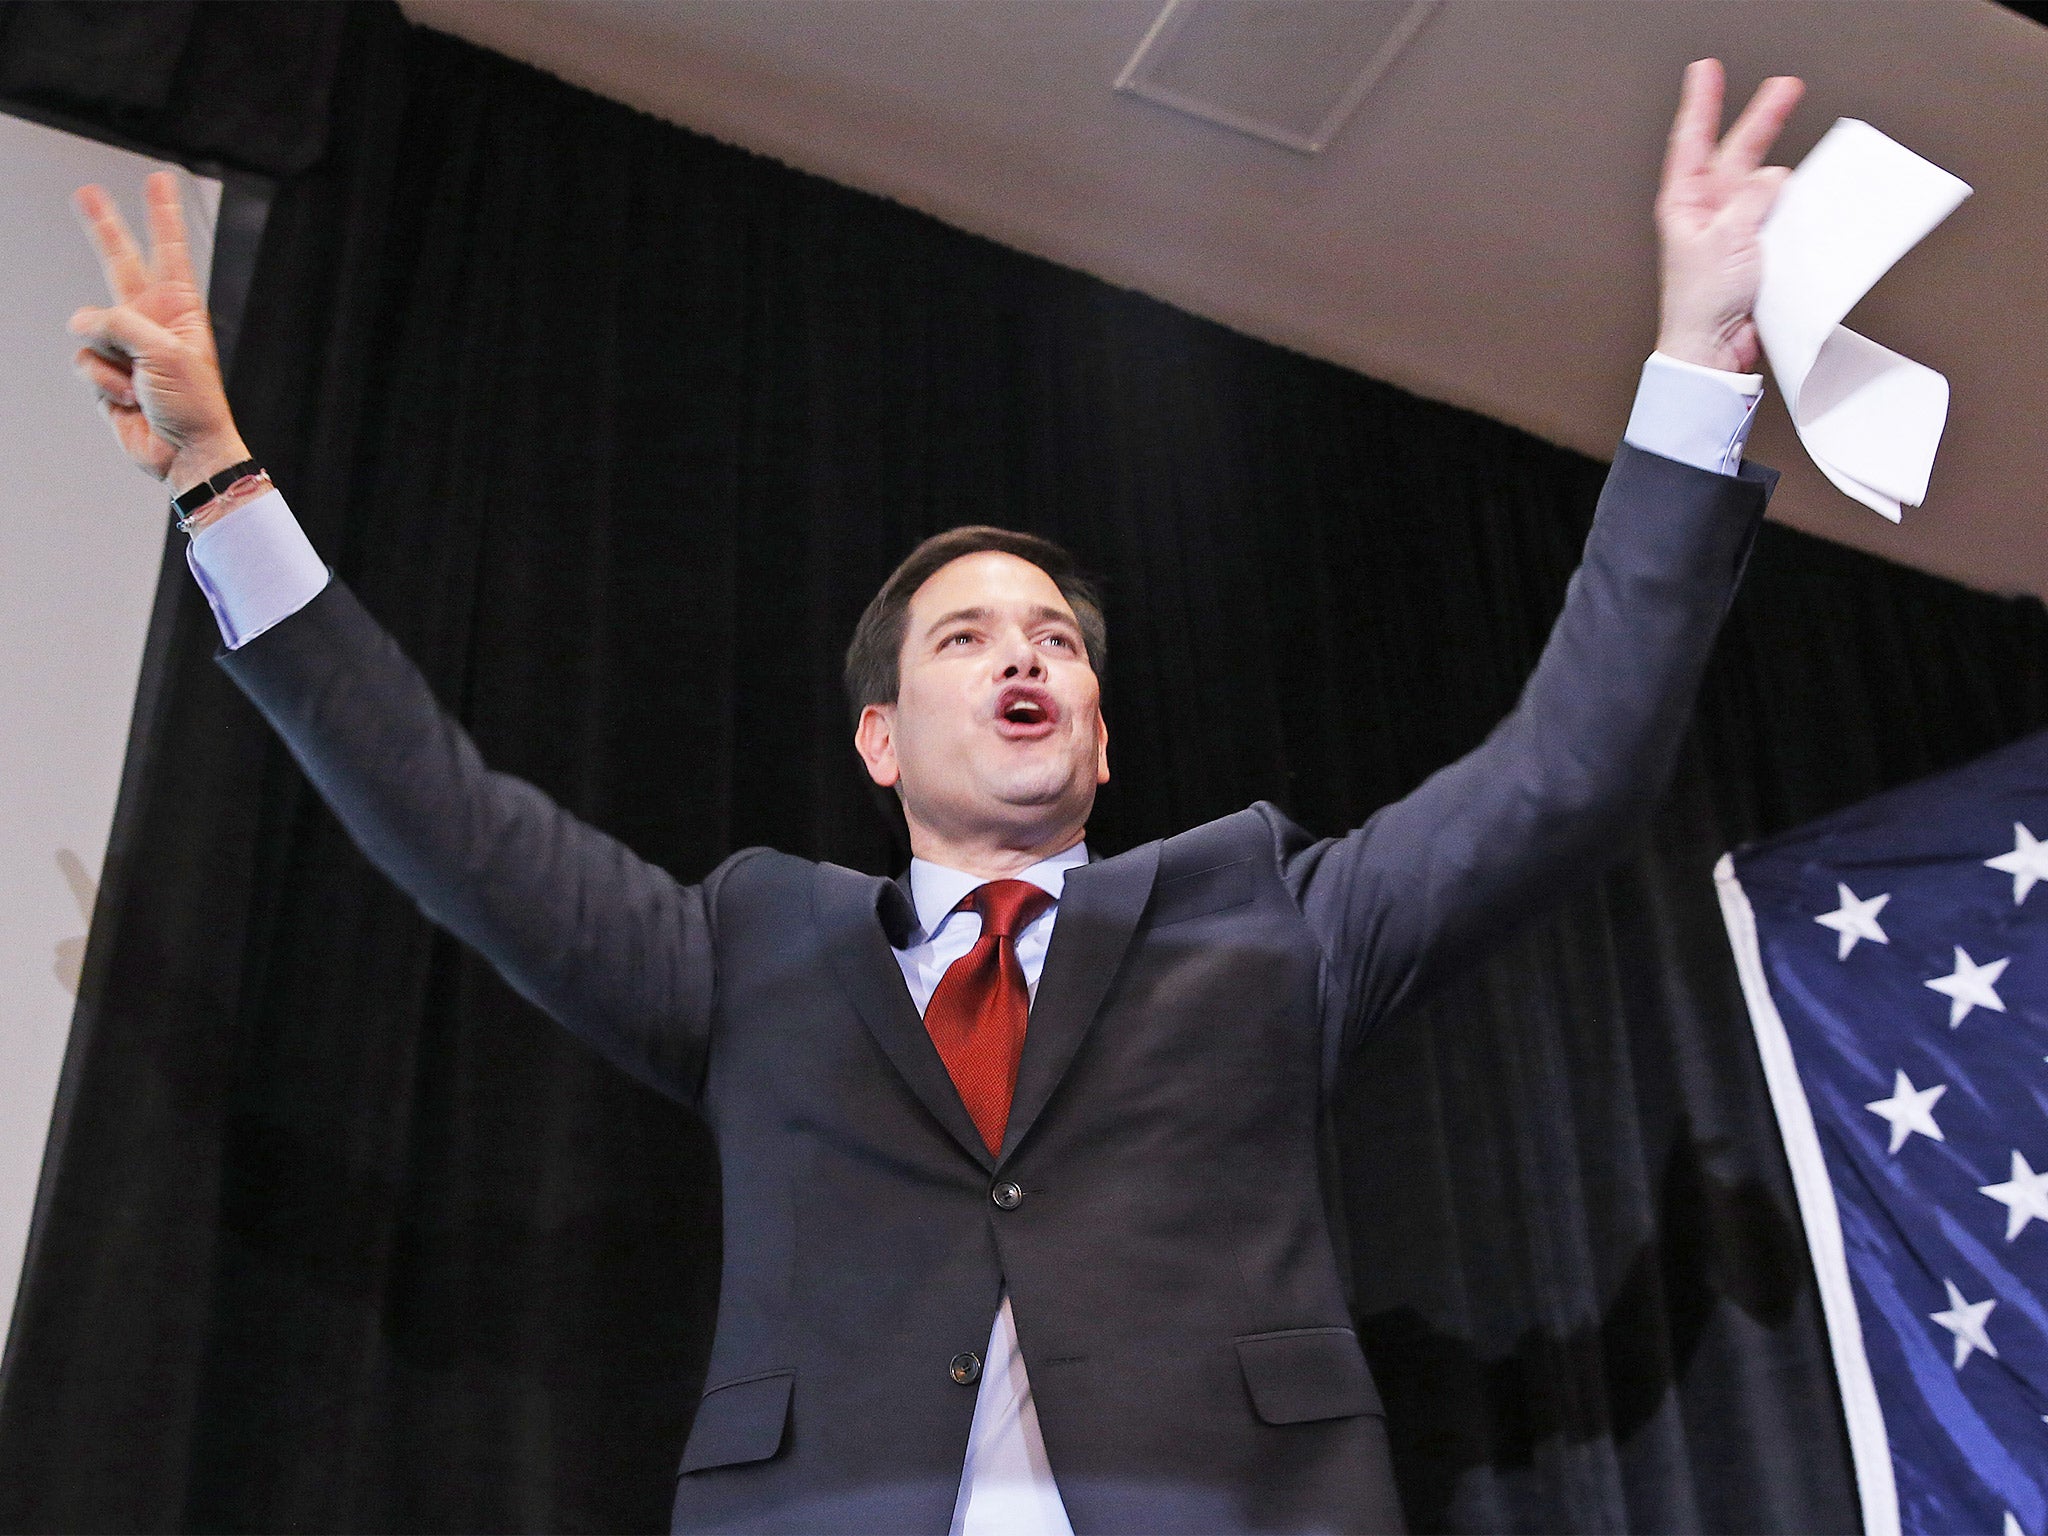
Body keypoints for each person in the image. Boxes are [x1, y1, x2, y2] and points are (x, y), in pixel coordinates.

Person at [68, 59, 1802, 1536]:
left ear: (1102, 741)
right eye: (965, 638)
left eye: (1055, 640)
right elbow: (453, 823)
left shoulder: (1268, 916)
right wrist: (221, 484)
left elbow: (1566, 774)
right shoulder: (752, 952)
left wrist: (1694, 369)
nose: (1021, 655)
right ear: (881, 740)